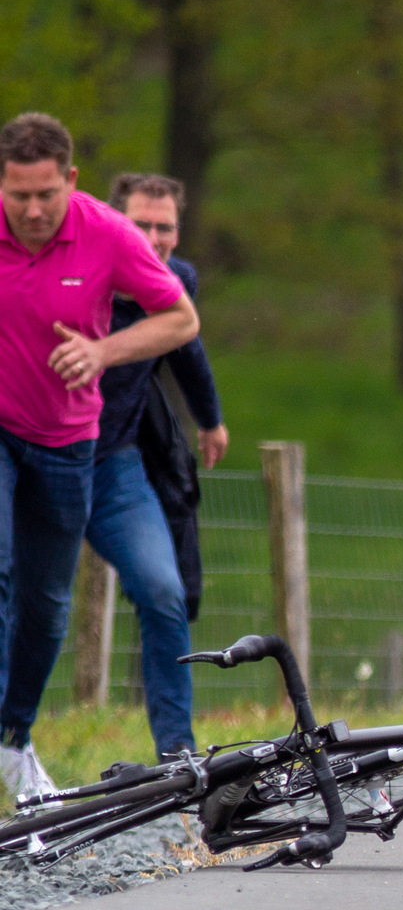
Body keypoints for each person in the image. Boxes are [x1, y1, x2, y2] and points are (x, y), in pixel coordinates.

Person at [0, 112, 199, 802]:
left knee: (54, 604)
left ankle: (19, 739)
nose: (30, 211)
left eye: (44, 196)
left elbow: (184, 329)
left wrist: (102, 351)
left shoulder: (111, 241)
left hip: (80, 449)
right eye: (17, 195)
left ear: (71, 183)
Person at [87, 172, 228, 758]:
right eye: (139, 224)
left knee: (163, 591)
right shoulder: (79, 280)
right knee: (27, 601)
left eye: (164, 226)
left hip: (115, 466)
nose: (151, 237)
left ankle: (178, 754)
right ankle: (13, 741)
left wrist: (210, 419)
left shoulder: (175, 282)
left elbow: (187, 349)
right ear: (113, 224)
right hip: (38, 460)